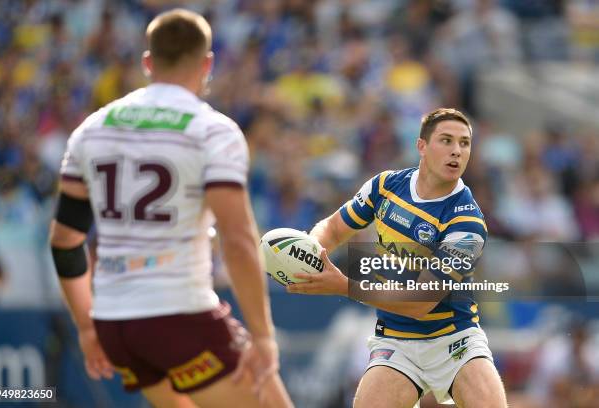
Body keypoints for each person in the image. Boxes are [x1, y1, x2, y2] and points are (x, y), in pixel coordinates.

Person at [49, 9, 292, 408]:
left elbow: (64, 241)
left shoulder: (91, 129)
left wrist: (87, 326)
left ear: (148, 62)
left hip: (114, 322)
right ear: (207, 63)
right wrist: (263, 336)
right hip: (178, 313)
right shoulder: (212, 130)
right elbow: (238, 238)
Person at [287, 108, 507, 407]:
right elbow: (334, 227)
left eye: (464, 143)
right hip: (396, 341)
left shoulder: (467, 223)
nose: (456, 151)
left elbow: (420, 303)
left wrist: (343, 285)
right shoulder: (385, 186)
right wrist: (309, 251)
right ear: (422, 146)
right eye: (446, 140)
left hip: (455, 341)